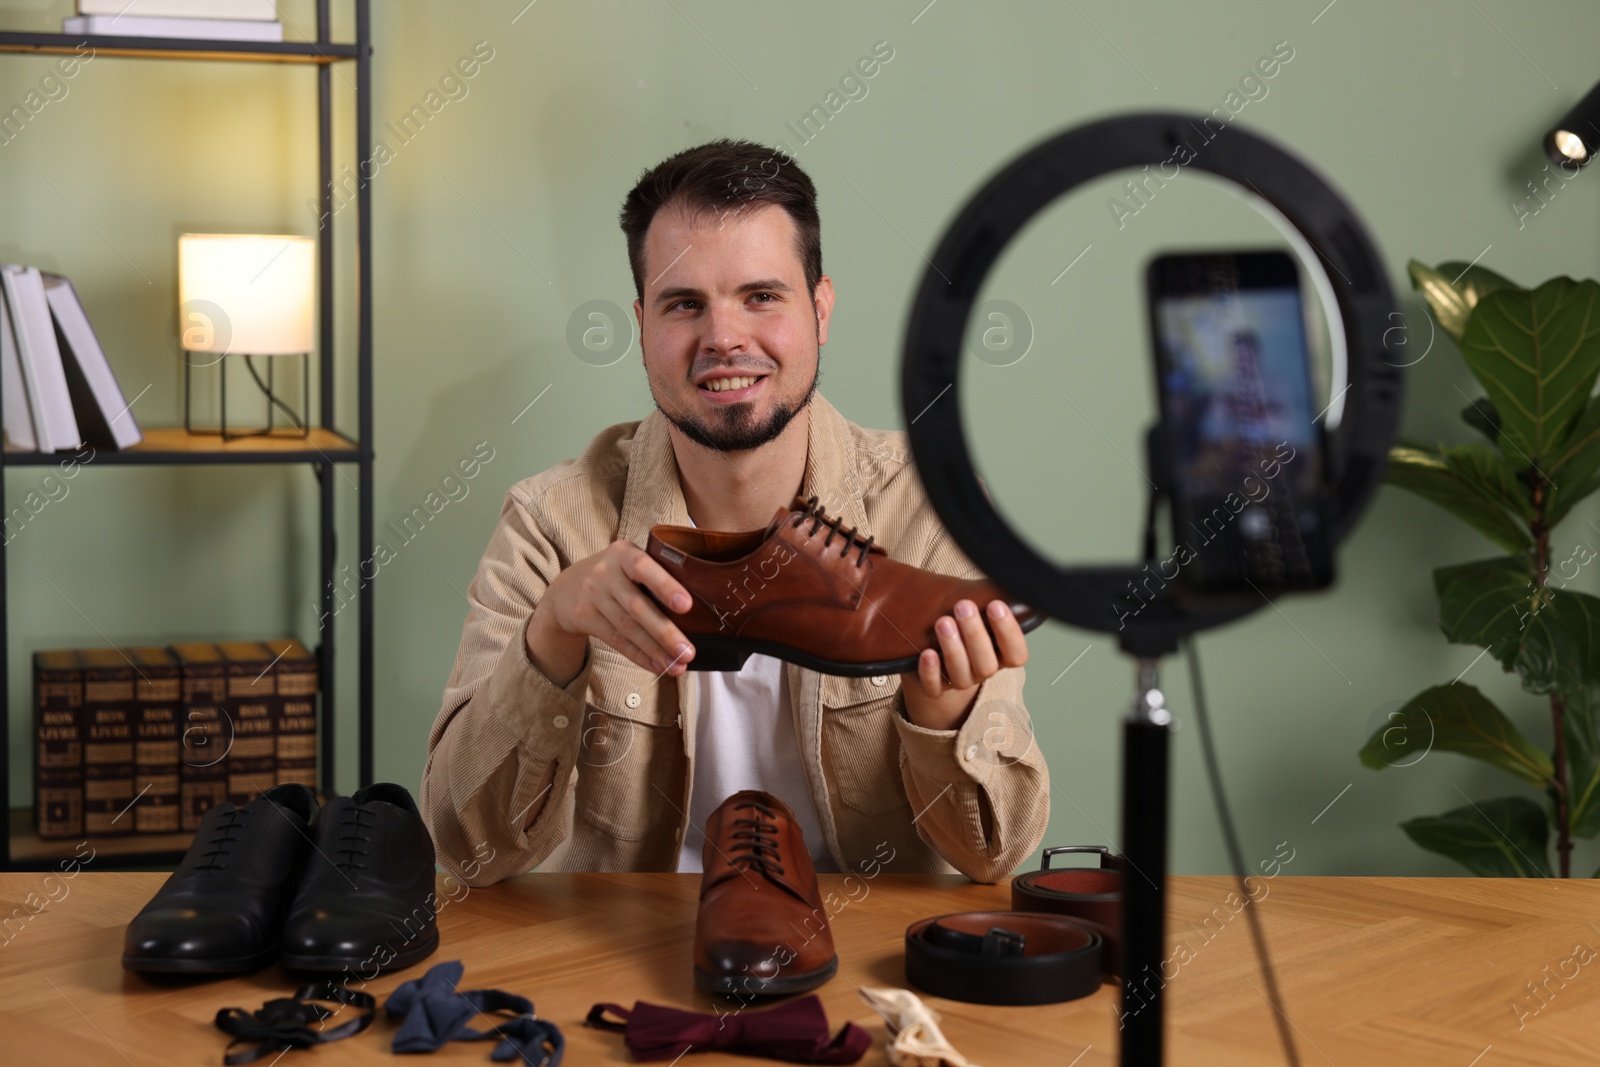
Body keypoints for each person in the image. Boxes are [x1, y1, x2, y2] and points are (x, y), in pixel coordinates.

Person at [422, 139, 1049, 885]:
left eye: (761, 296)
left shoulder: (934, 506)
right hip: (618, 954)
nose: (723, 338)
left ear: (820, 311)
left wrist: (941, 716)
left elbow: (995, 852)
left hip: (861, 958)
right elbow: (469, 846)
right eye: (684, 304)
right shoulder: (548, 521)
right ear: (642, 325)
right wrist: (553, 631)